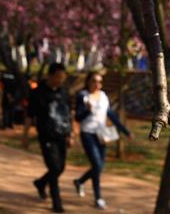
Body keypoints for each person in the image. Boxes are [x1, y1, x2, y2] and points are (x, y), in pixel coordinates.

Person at [72, 71, 131, 211]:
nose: (97, 84)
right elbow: (78, 118)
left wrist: (124, 130)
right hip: (88, 133)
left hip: (101, 134)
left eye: (100, 81)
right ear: (88, 82)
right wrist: (87, 110)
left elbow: (110, 114)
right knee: (97, 165)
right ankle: (98, 198)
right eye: (94, 81)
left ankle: (80, 182)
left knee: (99, 167)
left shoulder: (104, 96)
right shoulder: (83, 96)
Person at [23, 63, 72, 213]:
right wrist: (25, 135)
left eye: (62, 77)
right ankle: (57, 203)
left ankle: (41, 183)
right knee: (54, 167)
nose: (60, 80)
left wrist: (71, 134)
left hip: (61, 134)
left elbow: (68, 114)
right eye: (58, 77)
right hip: (46, 136)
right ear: (50, 76)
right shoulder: (38, 93)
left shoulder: (64, 92)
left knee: (60, 167)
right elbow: (30, 115)